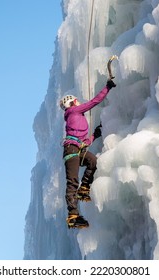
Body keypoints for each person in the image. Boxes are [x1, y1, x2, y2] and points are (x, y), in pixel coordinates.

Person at [59, 79, 116, 229]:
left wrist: (94, 136)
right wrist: (107, 88)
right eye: (76, 101)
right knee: (72, 182)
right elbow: (94, 102)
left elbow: (83, 142)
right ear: (72, 103)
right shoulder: (74, 111)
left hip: (76, 149)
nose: (78, 102)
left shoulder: (76, 116)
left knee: (92, 161)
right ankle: (73, 216)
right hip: (71, 150)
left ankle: (84, 189)